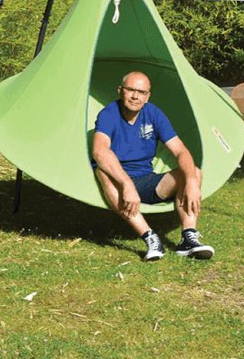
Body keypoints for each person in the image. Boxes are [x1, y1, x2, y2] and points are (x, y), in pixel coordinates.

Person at [90, 71, 214, 261]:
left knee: (194, 172)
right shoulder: (109, 114)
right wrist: (126, 184)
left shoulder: (154, 114)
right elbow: (99, 151)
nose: (135, 96)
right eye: (131, 90)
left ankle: (188, 238)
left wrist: (191, 182)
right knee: (102, 171)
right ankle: (150, 237)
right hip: (118, 180)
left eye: (141, 92)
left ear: (147, 96)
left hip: (146, 180)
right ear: (120, 91)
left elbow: (180, 151)